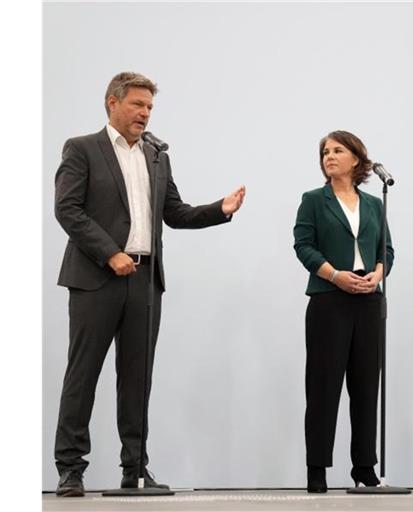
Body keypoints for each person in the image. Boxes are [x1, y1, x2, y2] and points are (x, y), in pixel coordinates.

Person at [53, 72, 246, 497]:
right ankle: (70, 469)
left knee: (137, 377)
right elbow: (67, 210)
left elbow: (174, 213)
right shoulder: (82, 149)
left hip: (145, 281)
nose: (145, 114)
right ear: (112, 102)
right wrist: (110, 252)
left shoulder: (157, 155)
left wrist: (221, 209)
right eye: (138, 105)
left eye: (150, 108)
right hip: (95, 280)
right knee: (83, 375)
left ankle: (135, 469)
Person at [293, 130, 394, 493]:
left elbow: (387, 250)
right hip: (328, 301)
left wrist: (377, 275)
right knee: (323, 388)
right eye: (325, 152)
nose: (329, 156)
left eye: (338, 150)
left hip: (368, 301)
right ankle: (317, 468)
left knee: (366, 387)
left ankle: (364, 467)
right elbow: (303, 246)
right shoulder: (313, 200)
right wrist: (336, 276)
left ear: (356, 159)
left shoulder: (373, 203)